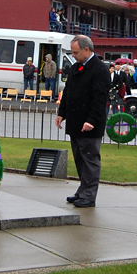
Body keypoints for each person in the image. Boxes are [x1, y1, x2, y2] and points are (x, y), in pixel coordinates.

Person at [55, 35, 110, 207]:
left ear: (87, 50)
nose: (74, 55)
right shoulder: (75, 68)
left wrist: (92, 120)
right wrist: (61, 113)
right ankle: (83, 189)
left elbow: (100, 99)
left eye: (76, 52)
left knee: (90, 159)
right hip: (75, 122)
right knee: (80, 159)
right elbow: (68, 92)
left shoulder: (99, 70)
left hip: (89, 124)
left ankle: (89, 194)